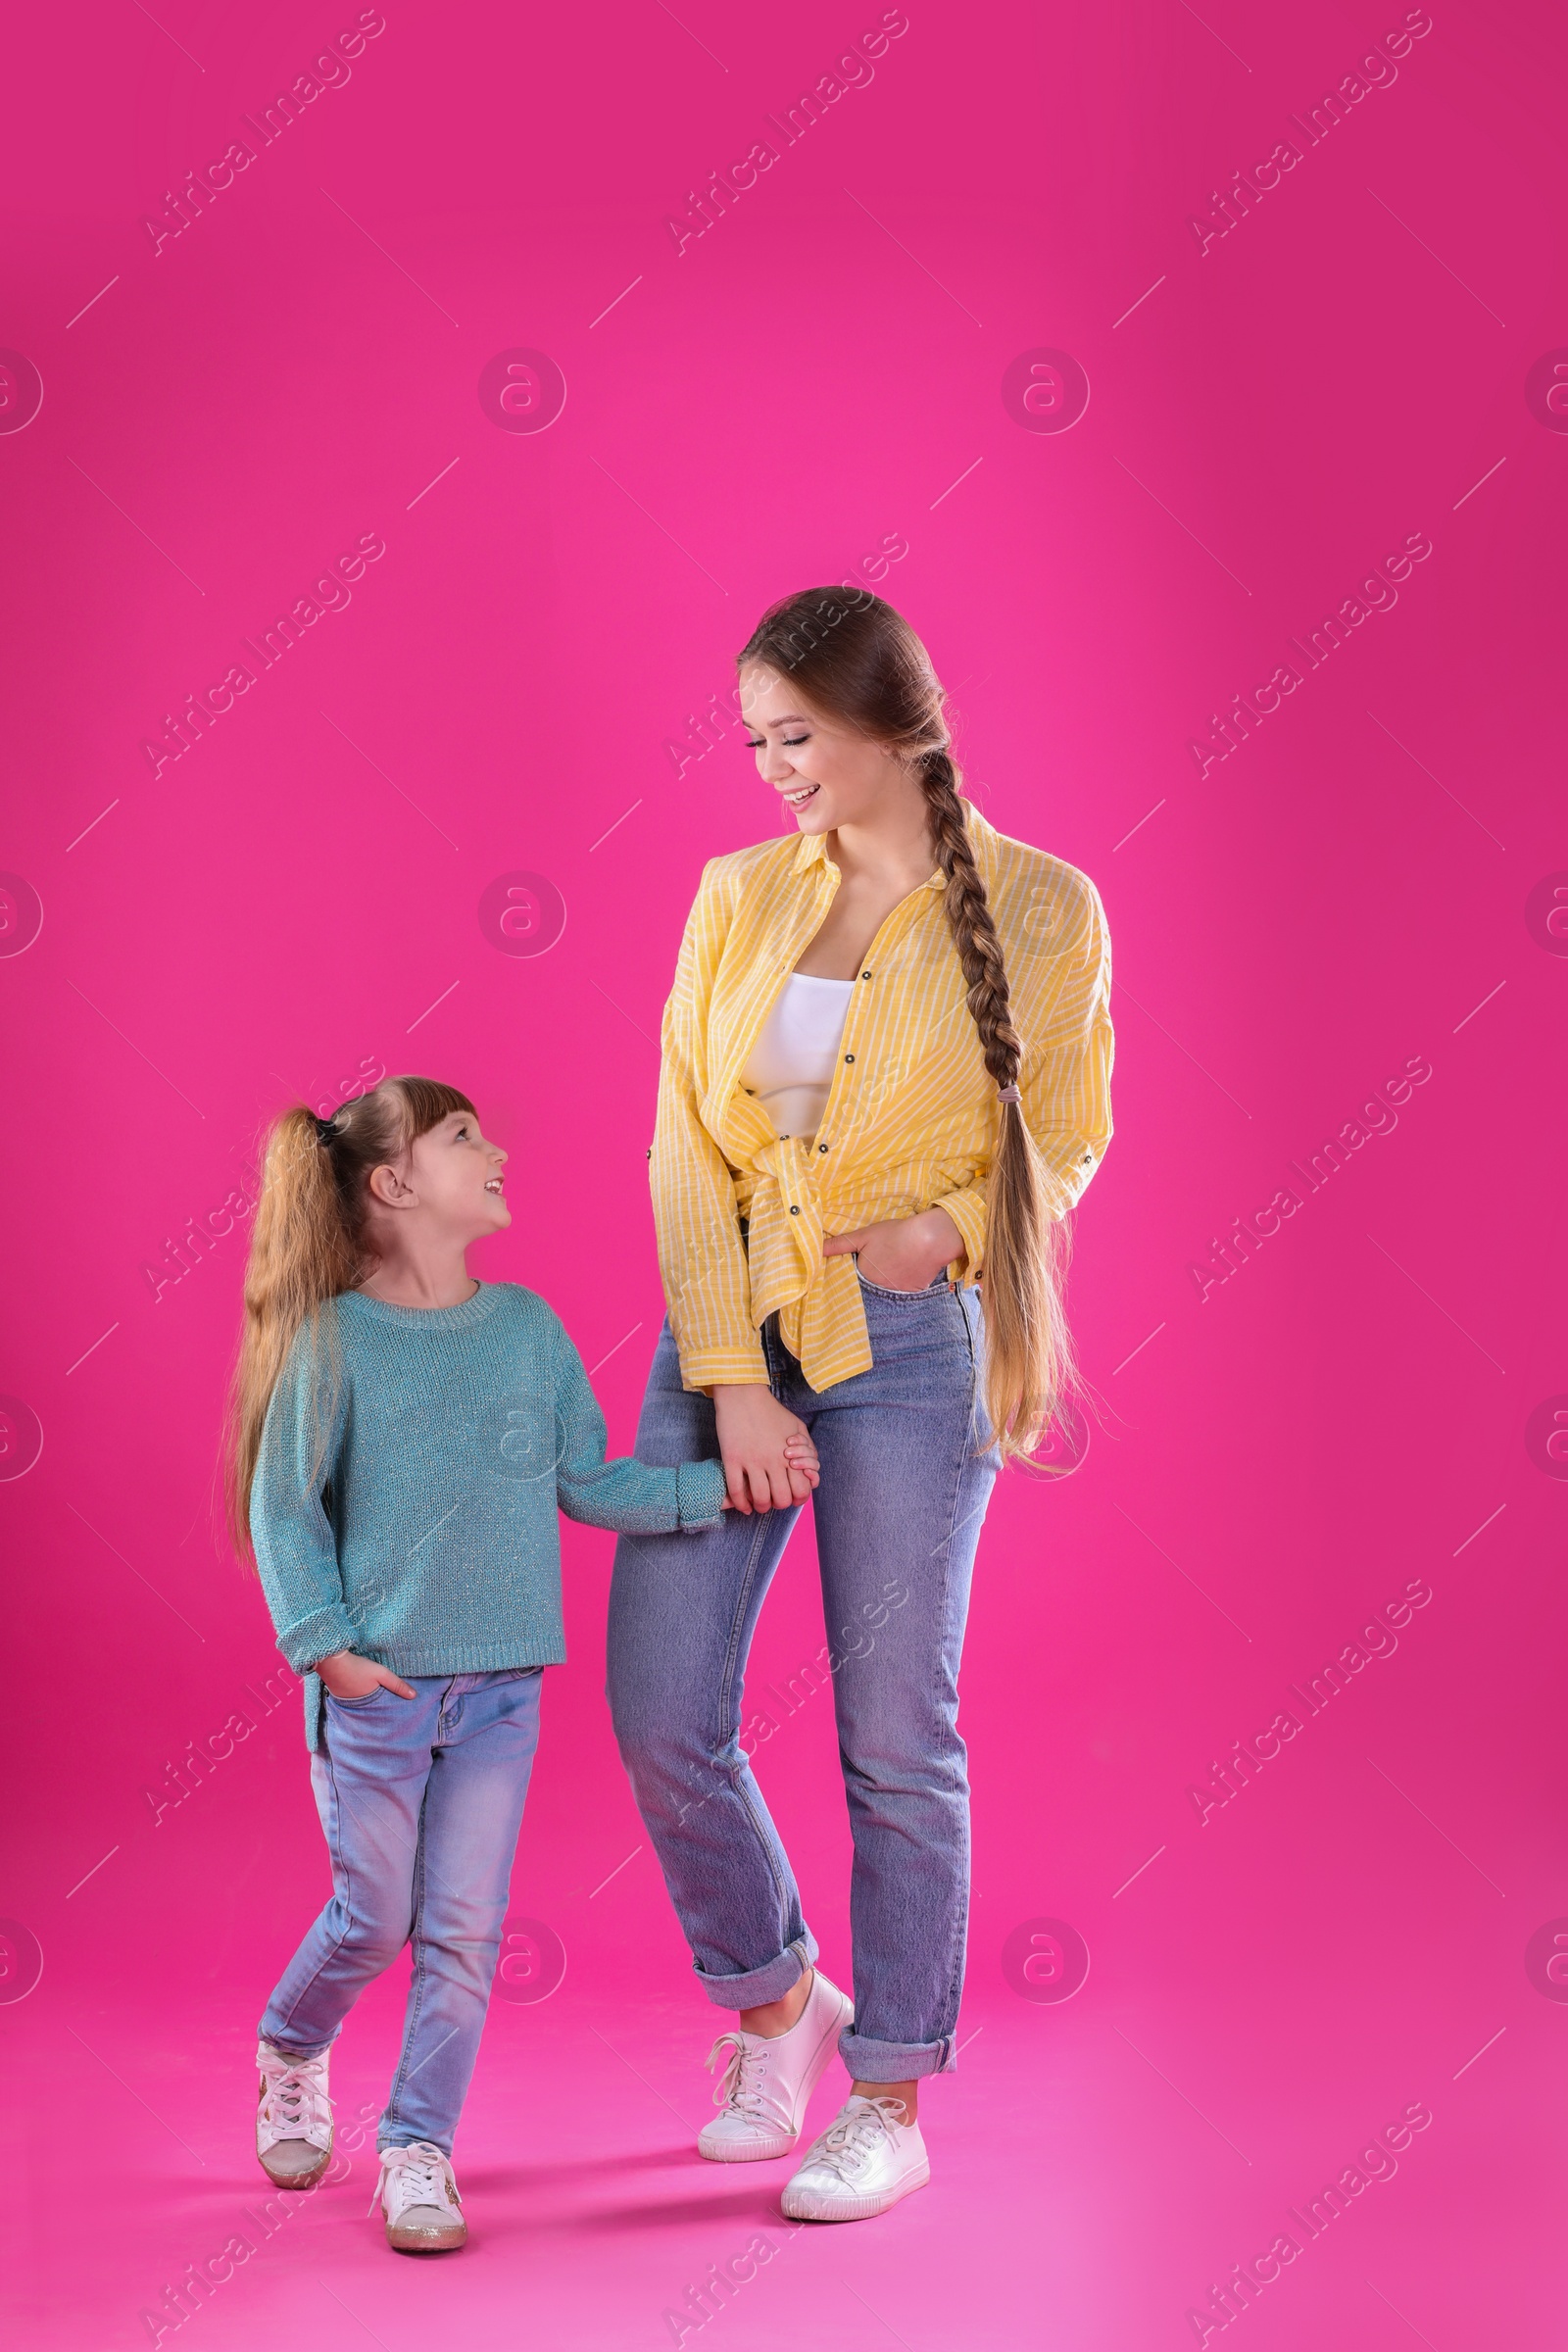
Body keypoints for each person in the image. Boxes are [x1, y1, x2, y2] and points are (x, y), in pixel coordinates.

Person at [608, 588, 1114, 2222]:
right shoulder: (737, 893)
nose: (771, 771)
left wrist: (947, 1235)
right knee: (664, 1704)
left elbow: (1076, 1130)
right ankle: (779, 2004)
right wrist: (734, 1377)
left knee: (898, 1733)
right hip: (736, 1325)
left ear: (888, 717)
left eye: (796, 735)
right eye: (754, 741)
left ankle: (887, 2090)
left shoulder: (1045, 908)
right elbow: (685, 1141)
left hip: (912, 1346)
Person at [223, 1075, 816, 2254]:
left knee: (462, 1931)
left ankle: (416, 2149)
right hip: (377, 1691)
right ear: (392, 1184)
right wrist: (327, 1653)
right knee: (371, 1920)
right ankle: (291, 2047)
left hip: (500, 1694)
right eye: (461, 1137)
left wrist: (727, 1487)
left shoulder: (529, 1331)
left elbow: (589, 1482)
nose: (497, 1149)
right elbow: (281, 1506)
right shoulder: (331, 1340)